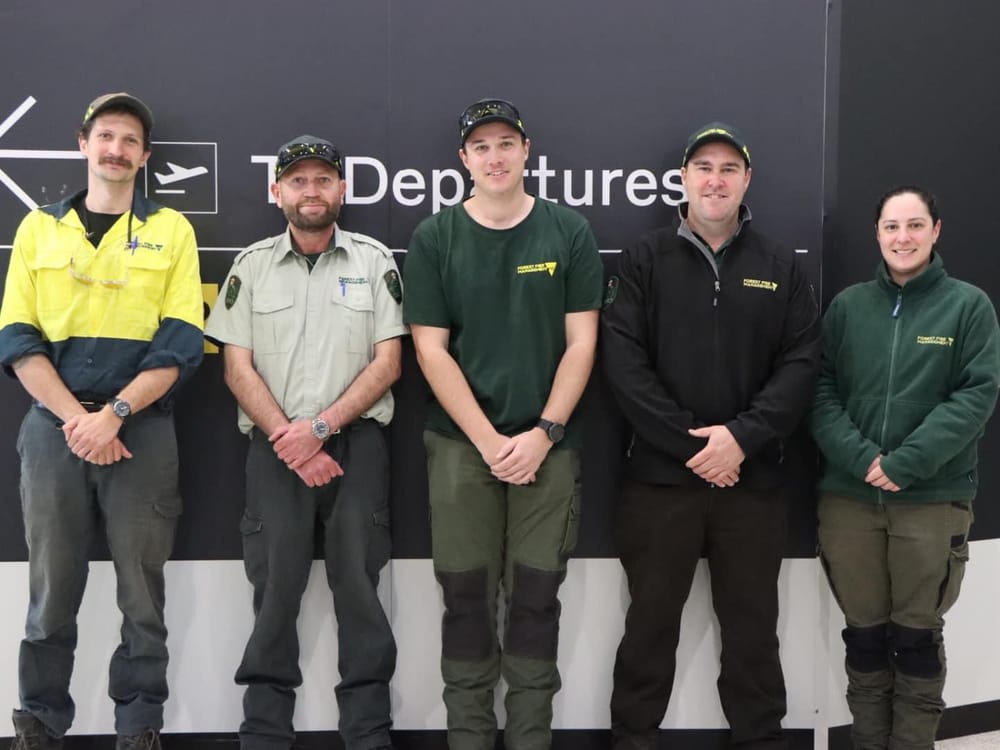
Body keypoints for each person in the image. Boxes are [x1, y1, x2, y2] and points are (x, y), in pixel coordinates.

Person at [601, 122, 822, 750]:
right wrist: (697, 446)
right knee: (647, 629)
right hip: (660, 484)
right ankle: (632, 740)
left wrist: (742, 439)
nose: (715, 179)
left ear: (747, 180)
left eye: (729, 168)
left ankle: (761, 741)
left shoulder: (781, 265)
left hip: (752, 485)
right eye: (704, 167)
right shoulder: (643, 259)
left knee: (753, 633)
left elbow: (802, 364)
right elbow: (624, 366)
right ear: (683, 179)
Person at [0, 92, 204, 750]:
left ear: (144, 158)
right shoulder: (38, 230)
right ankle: (39, 721)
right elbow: (17, 340)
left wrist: (113, 415)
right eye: (106, 136)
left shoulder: (172, 231)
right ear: (83, 144)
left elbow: (181, 344)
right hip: (53, 430)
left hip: (139, 429)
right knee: (51, 585)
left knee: (141, 590)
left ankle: (139, 724)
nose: (117, 149)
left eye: (130, 141)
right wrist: (79, 421)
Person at [402, 98, 604, 750]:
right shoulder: (436, 237)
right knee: (464, 604)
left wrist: (542, 432)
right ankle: (468, 740)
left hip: (548, 450)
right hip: (463, 450)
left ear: (526, 150)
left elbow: (582, 343)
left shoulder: (567, 232)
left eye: (505, 144)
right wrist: (489, 441)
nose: (495, 156)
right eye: (481, 146)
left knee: (535, 604)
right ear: (464, 158)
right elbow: (430, 349)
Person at [205, 135, 405, 750]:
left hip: (357, 447)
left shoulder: (374, 261)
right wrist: (288, 438)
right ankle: (263, 734)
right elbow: (236, 367)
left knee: (360, 591)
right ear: (277, 191)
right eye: (298, 180)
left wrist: (319, 430)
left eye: (323, 180)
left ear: (342, 190)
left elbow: (389, 362)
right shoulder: (251, 265)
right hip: (273, 449)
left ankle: (368, 733)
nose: (311, 191)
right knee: (273, 592)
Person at [810, 186, 1000, 750]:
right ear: (878, 234)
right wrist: (864, 459)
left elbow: (976, 396)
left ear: (935, 231)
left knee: (916, 642)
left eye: (915, 226)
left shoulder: (968, 307)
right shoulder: (847, 307)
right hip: (849, 500)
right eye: (892, 227)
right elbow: (820, 392)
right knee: (865, 641)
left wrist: (906, 464)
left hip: (930, 501)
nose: (903, 238)